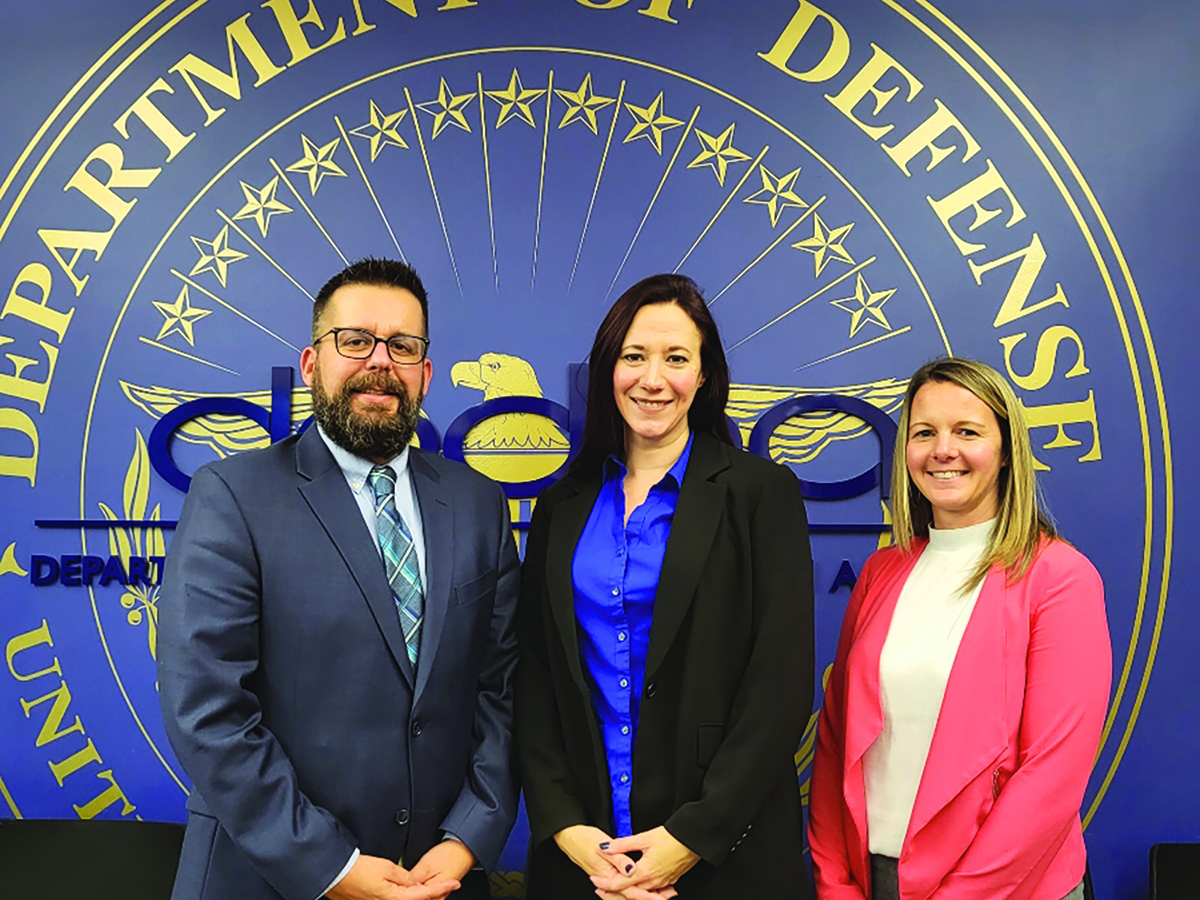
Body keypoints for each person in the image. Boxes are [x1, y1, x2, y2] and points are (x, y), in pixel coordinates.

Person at [158, 258, 520, 900]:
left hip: (440, 879)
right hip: (271, 877)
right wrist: (331, 865)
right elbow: (207, 708)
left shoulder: (478, 504)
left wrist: (469, 834)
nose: (379, 361)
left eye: (402, 346)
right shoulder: (234, 495)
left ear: (425, 373)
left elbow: (504, 689)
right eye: (354, 341)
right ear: (311, 363)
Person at [515, 273, 815, 900]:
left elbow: (779, 689)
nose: (653, 379)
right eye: (634, 356)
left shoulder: (760, 494)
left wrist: (691, 839)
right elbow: (537, 679)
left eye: (676, 358)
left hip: (726, 857)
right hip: (585, 862)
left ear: (703, 376)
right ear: (608, 371)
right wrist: (567, 828)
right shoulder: (561, 507)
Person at [808, 357, 1111, 900]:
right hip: (874, 879)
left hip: (1010, 888)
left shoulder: (1059, 577)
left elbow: (1052, 778)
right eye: (924, 433)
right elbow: (835, 739)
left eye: (967, 431)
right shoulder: (883, 571)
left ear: (1004, 452)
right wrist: (835, 884)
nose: (942, 450)